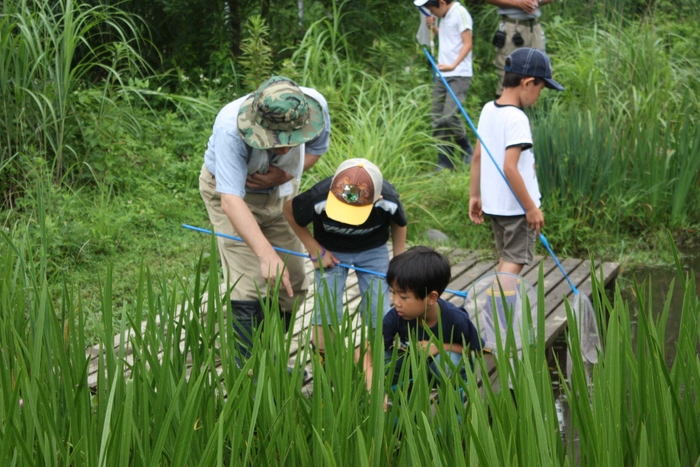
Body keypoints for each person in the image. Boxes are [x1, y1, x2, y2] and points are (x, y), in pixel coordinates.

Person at [199, 76, 331, 357]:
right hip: (233, 196)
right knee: (251, 285)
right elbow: (230, 200)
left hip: (281, 195)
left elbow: (316, 150)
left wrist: (285, 173)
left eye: (291, 141)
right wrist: (265, 254)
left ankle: (268, 359)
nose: (284, 149)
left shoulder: (313, 108)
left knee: (292, 283)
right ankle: (247, 375)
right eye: (275, 141)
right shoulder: (230, 129)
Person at [284, 158, 407, 361]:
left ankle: (375, 359)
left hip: (373, 250)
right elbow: (289, 210)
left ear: (378, 199)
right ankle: (326, 362)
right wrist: (313, 248)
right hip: (331, 251)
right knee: (327, 304)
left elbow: (400, 223)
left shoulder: (389, 199)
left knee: (379, 305)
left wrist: (400, 259)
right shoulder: (319, 196)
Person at [469, 48, 564, 281]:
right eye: (540, 89)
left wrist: (475, 195)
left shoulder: (488, 109)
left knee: (507, 256)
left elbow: (477, 156)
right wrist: (531, 208)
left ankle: (498, 310)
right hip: (516, 208)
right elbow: (510, 168)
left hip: (495, 205)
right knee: (515, 259)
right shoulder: (517, 118)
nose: (538, 96)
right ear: (528, 83)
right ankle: (494, 307)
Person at [357, 246, 482, 396]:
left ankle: (453, 415)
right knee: (385, 360)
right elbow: (363, 349)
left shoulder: (456, 319)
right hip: (412, 368)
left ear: (431, 298)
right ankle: (402, 410)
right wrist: (372, 381)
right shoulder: (396, 316)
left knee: (449, 362)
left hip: (445, 368)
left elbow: (477, 351)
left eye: (403, 297)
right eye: (393, 293)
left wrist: (439, 347)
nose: (395, 302)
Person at [414, 0, 474, 169]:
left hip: (458, 74)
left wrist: (454, 64)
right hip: (442, 73)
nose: (431, 12)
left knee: (449, 116)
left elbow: (468, 43)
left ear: (441, 2)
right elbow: (449, 38)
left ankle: (467, 149)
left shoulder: (460, 13)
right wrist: (434, 28)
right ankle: (445, 162)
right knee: (437, 118)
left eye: (432, 9)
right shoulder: (443, 15)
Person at [487, 0, 552, 98]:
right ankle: (504, 110)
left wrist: (537, 1)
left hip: (534, 27)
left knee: (536, 75)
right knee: (507, 77)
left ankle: (530, 110)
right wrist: (518, 3)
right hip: (512, 25)